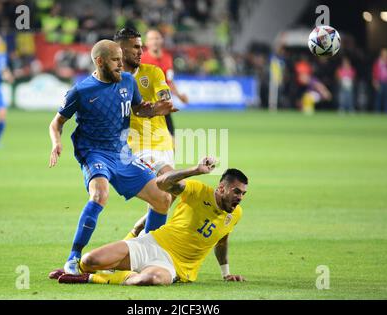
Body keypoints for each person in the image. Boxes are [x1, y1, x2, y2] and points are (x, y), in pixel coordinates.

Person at [48, 40, 177, 275]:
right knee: (99, 195)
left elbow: (138, 109)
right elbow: (56, 123)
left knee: (163, 199)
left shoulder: (128, 80)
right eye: (115, 60)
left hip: (122, 152)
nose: (121, 65)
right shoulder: (81, 91)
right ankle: (74, 258)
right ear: (99, 61)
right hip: (94, 152)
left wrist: (156, 110)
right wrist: (57, 142)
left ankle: (146, 253)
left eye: (121, 59)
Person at [54, 157, 247, 285]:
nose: (240, 198)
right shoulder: (197, 191)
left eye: (243, 194)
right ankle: (80, 270)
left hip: (174, 266)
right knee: (90, 260)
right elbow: (161, 183)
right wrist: (195, 170)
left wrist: (226, 273)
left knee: (152, 279)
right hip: (151, 243)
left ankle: (95, 278)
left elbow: (221, 241)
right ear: (221, 188)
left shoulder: (236, 214)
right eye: (236, 192)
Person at [113, 28, 176, 240]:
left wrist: (162, 103)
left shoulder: (154, 72)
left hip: (163, 143)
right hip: (138, 145)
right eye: (136, 47)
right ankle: (147, 247)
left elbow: (163, 93)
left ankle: (134, 237)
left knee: (167, 197)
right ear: (121, 50)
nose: (141, 51)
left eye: (142, 47)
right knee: (173, 186)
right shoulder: (112, 81)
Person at [141, 29, 188, 135]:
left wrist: (180, 96)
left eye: (157, 38)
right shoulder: (141, 59)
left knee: (171, 138)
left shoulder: (167, 58)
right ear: (146, 42)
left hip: (162, 104)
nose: (154, 41)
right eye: (151, 39)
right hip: (146, 106)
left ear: (161, 40)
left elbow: (169, 82)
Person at [372, 48, 387, 113]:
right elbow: (374, 72)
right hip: (380, 82)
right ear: (381, 54)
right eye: (384, 54)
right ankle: (377, 111)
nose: (386, 55)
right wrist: (375, 82)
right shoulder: (378, 62)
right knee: (378, 98)